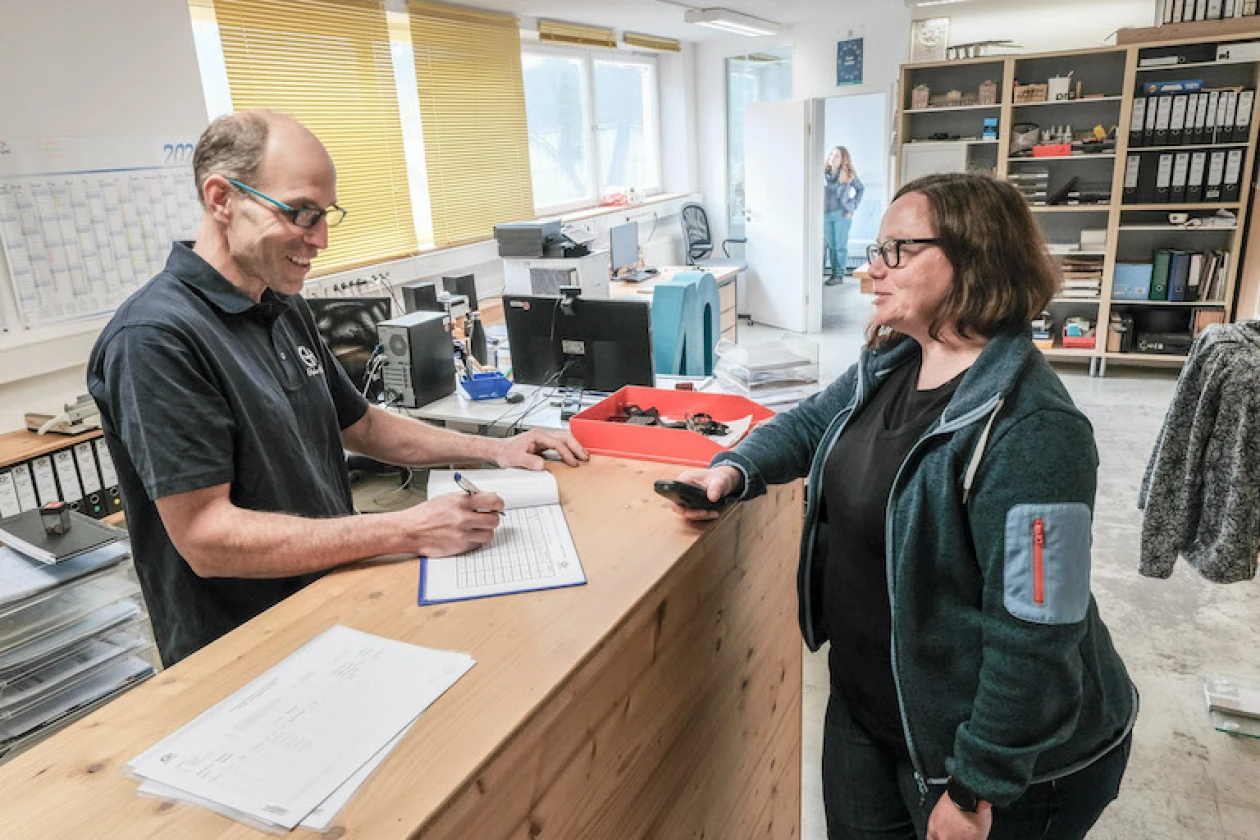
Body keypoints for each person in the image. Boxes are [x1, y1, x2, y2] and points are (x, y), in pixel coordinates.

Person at [669, 173, 1136, 840]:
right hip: (869, 707)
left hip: (994, 762)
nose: (871, 270)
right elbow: (808, 425)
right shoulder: (893, 361)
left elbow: (1037, 630)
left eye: (896, 250)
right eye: (875, 249)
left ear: (974, 256)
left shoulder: (1036, 433)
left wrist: (979, 784)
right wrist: (735, 468)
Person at [88, 110, 588, 666]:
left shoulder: (280, 304)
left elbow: (363, 424)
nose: (320, 239)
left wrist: (497, 449)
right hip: (242, 648)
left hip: (330, 596)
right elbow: (207, 538)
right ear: (221, 198)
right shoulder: (155, 339)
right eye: (301, 214)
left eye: (325, 216)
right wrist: (404, 528)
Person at [823, 146, 864, 286]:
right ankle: (832, 274)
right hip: (824, 215)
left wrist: (852, 207)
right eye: (832, 155)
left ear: (843, 160)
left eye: (837, 156)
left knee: (840, 246)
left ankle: (838, 275)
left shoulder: (848, 174)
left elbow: (860, 189)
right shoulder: (821, 173)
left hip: (842, 214)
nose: (833, 158)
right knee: (830, 246)